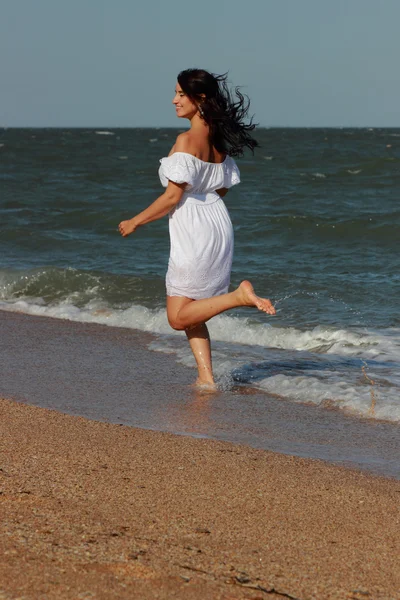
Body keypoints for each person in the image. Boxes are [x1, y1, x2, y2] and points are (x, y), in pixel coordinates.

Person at [119, 68, 276, 388]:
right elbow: (222, 189)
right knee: (193, 310)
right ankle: (206, 379)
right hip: (218, 222)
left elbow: (172, 197)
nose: (174, 100)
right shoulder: (218, 144)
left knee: (177, 318)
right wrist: (201, 199)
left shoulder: (185, 140)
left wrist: (135, 221)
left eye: (180, 94)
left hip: (193, 229)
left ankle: (238, 297)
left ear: (200, 99)